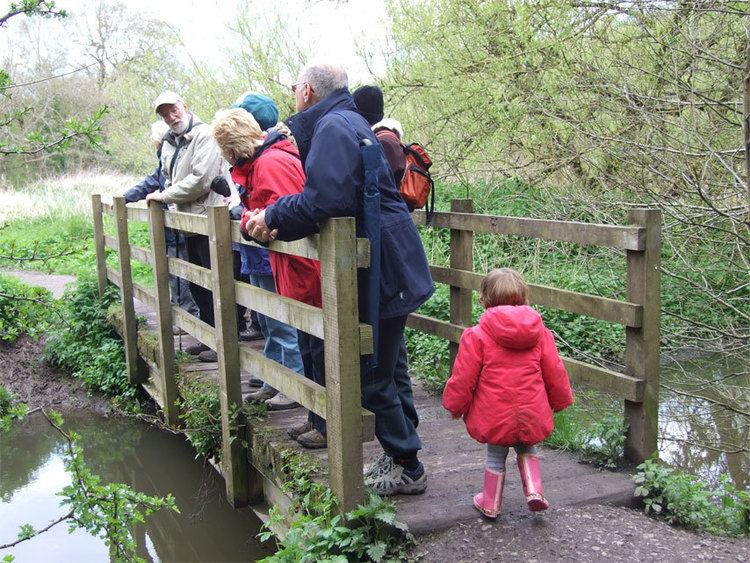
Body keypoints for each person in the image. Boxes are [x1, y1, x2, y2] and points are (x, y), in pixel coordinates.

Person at [244, 64, 435, 496]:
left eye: (295, 87)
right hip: (394, 261)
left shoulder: (332, 126)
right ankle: (402, 453)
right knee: (389, 367)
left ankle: (408, 464)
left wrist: (272, 216)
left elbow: (325, 199)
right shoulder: (349, 120)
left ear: (308, 90)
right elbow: (340, 196)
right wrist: (281, 214)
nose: (293, 94)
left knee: (371, 374)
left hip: (385, 266)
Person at [211, 96, 317, 415]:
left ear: (233, 146)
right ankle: (281, 379)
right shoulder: (262, 162)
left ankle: (295, 385)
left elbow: (282, 214)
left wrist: (246, 218)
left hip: (296, 262)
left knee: (288, 323)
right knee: (272, 319)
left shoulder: (270, 163)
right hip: (281, 260)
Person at [442, 268, 573, 518]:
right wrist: (560, 400)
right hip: (531, 410)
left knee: (495, 456)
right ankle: (534, 491)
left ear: (484, 299)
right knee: (527, 449)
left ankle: (490, 503)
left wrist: (454, 406)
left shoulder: (477, 336)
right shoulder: (540, 334)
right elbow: (554, 370)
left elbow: (463, 378)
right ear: (524, 296)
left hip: (494, 413)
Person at [145, 91, 238, 360]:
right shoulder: (170, 142)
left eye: (173, 110)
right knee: (198, 283)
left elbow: (202, 179)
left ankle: (224, 344)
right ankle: (210, 337)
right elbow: (167, 175)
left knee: (215, 282)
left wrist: (164, 196)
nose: (171, 117)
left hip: (209, 220)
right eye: (164, 114)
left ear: (185, 106)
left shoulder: (204, 135)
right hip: (187, 222)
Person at [353, 85, 418, 434]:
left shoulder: (380, 144)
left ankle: (405, 448)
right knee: (396, 362)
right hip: (398, 255)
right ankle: (408, 425)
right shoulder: (388, 140)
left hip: (389, 255)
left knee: (386, 368)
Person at [123, 120, 201, 323]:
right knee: (176, 270)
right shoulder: (167, 156)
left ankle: (188, 315)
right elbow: (153, 180)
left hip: (179, 223)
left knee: (182, 271)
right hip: (173, 224)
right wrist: (126, 197)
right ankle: (184, 313)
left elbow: (160, 183)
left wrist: (160, 196)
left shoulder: (176, 152)